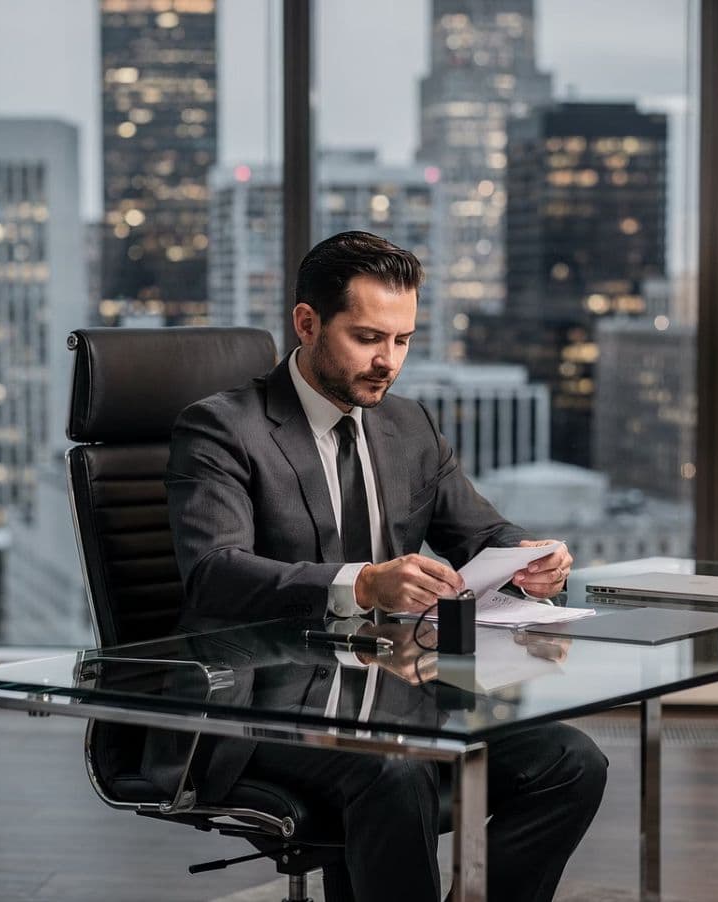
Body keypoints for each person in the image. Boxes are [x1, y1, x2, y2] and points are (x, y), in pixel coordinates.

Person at [167, 231, 606, 902]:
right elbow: (213, 572)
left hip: (395, 688)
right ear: (307, 323)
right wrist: (363, 582)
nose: (388, 362)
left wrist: (530, 559)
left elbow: (480, 531)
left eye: (401, 340)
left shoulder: (407, 427)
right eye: (369, 337)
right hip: (260, 701)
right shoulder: (223, 429)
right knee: (391, 771)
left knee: (570, 762)